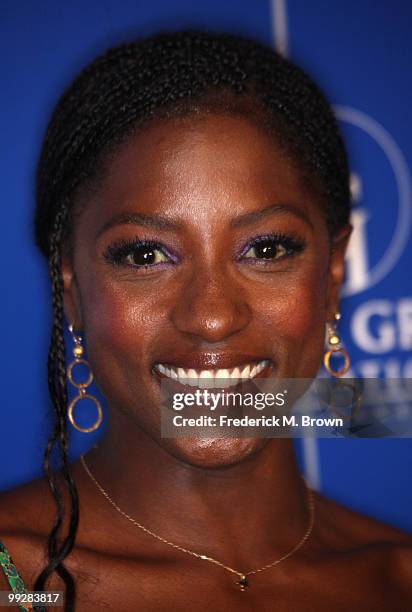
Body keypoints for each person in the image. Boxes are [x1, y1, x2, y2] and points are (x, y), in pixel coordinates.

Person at [0, 29, 411, 612]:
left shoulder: (398, 580)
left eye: (266, 249)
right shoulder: (11, 584)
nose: (213, 317)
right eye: (145, 255)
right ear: (70, 284)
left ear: (334, 274)